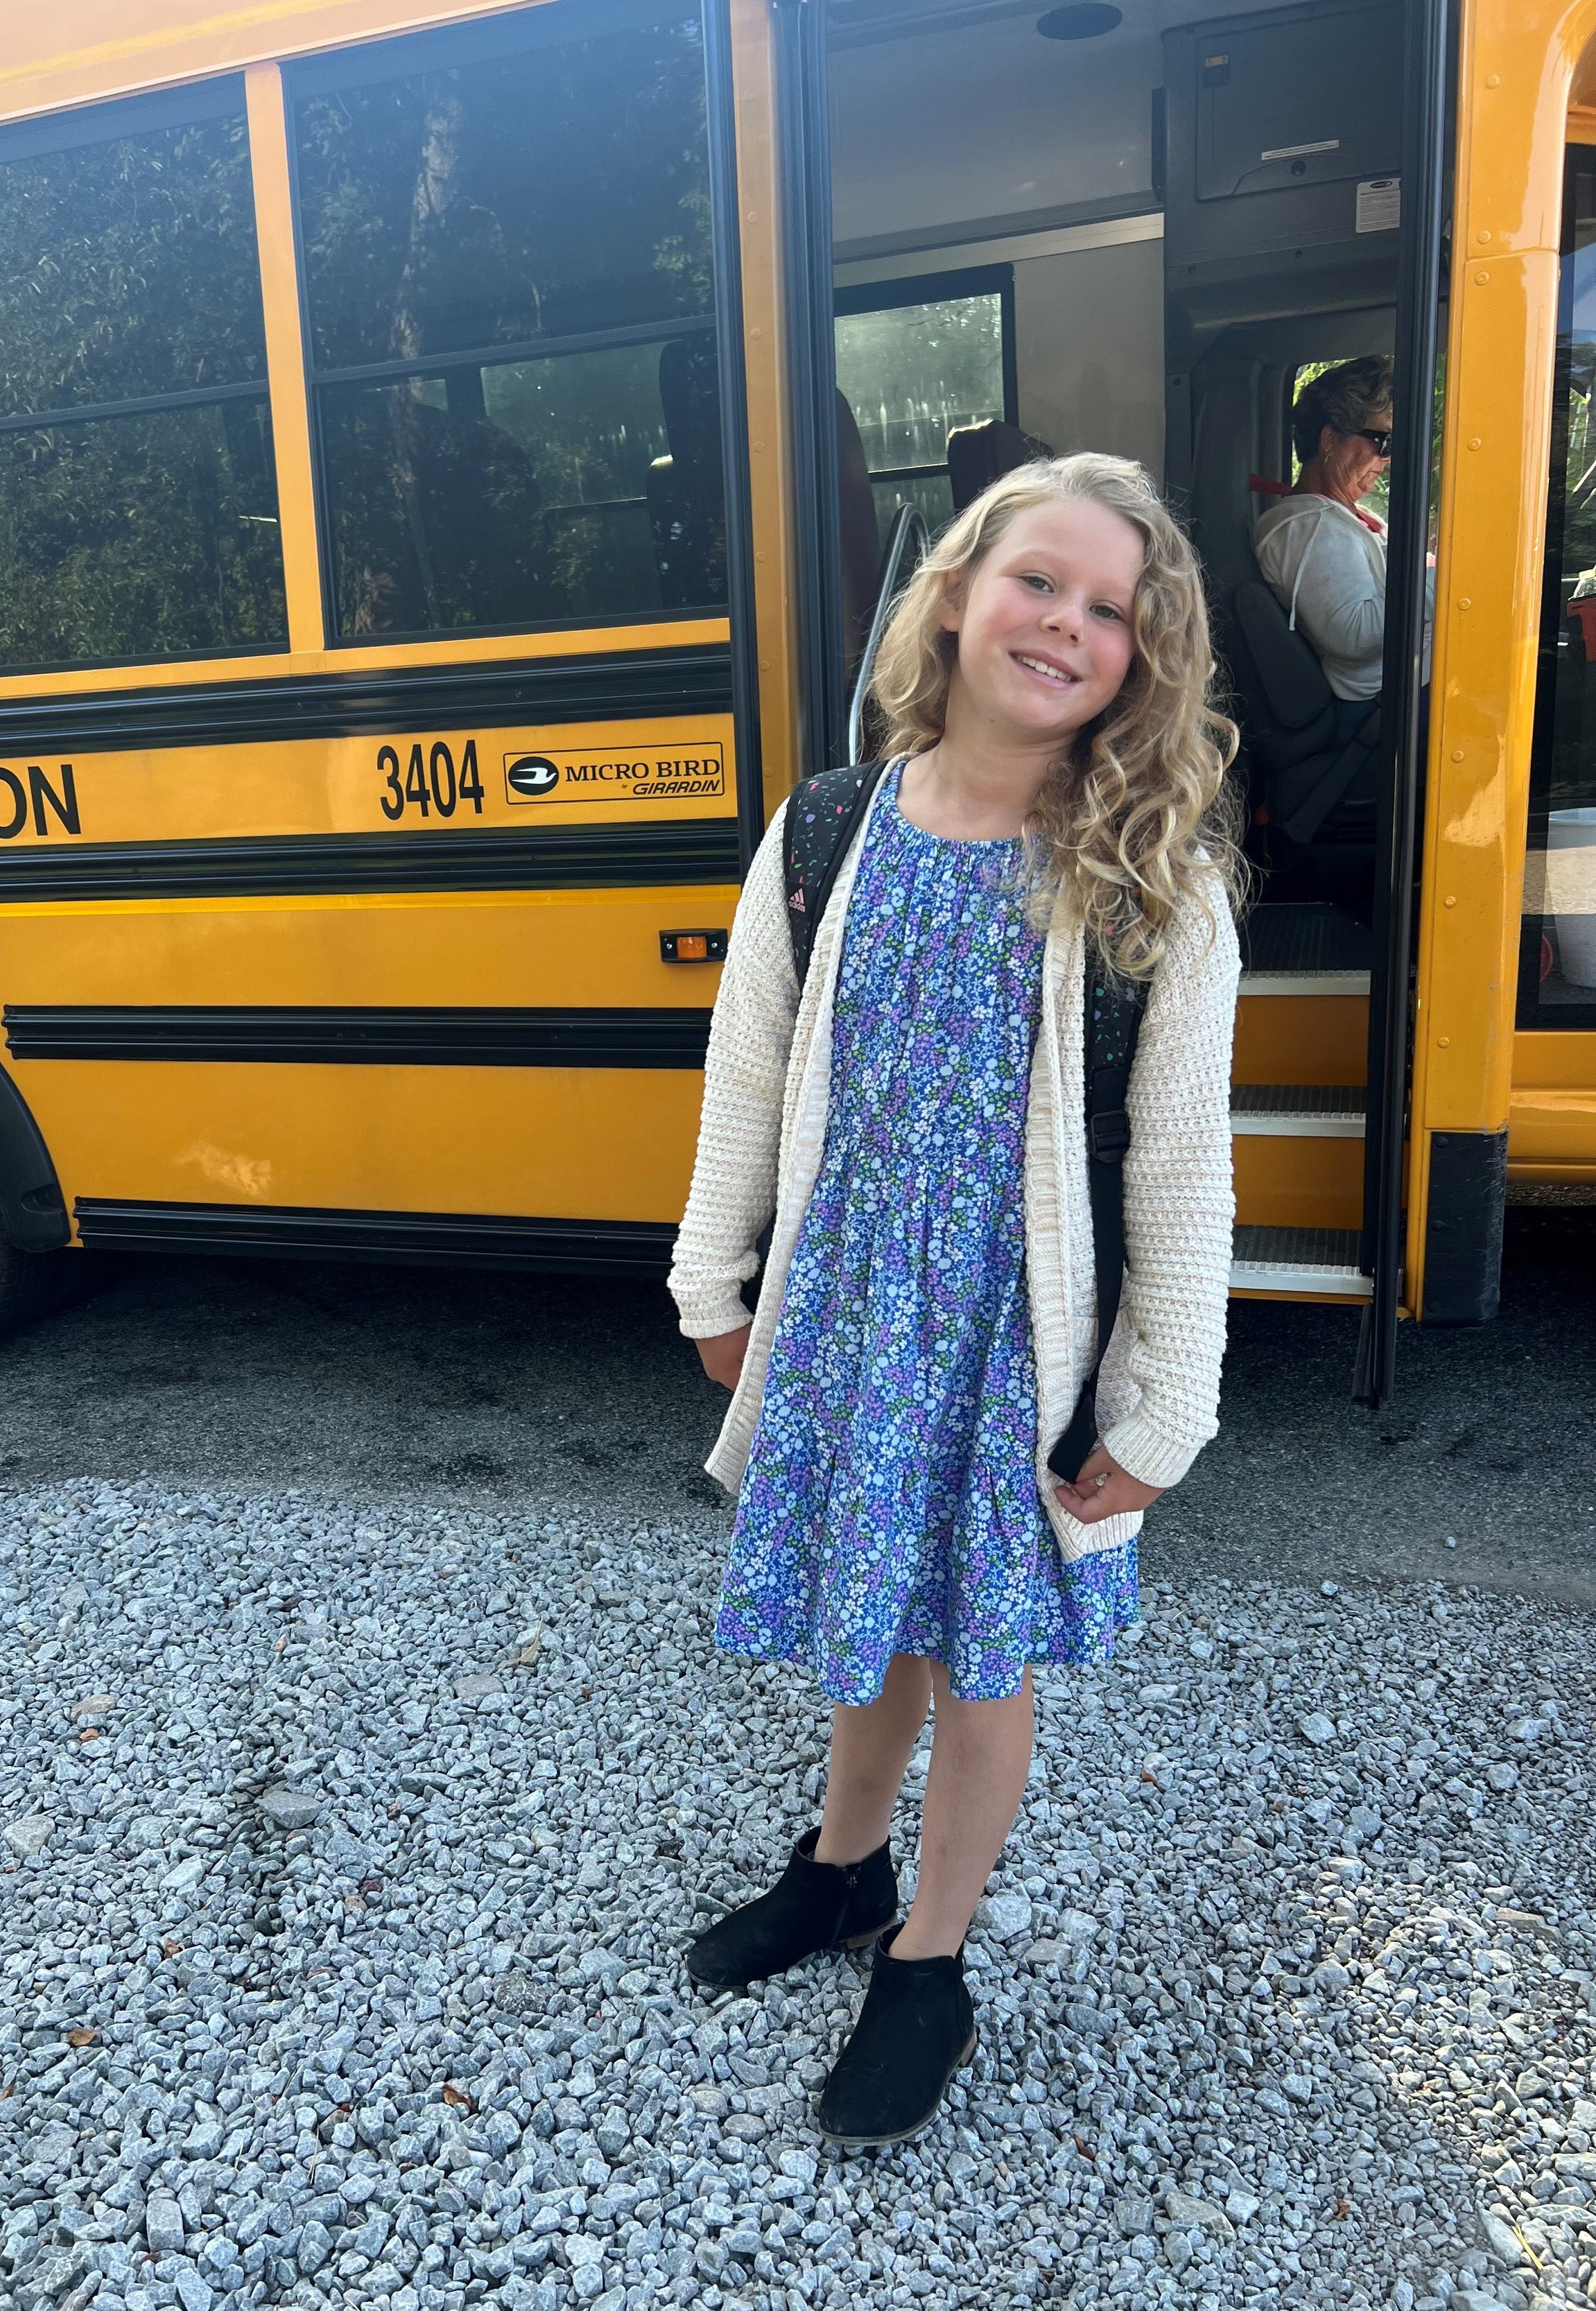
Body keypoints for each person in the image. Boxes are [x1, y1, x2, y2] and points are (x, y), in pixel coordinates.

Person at [667, 452, 1244, 2150]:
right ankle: (842, 1871)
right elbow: (748, 1080)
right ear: (955, 595)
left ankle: (930, 1955)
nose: (1066, 624)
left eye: (1110, 609)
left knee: (980, 1655)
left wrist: (1165, 1409)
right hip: (850, 1316)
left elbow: (1182, 1172)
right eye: (1036, 581)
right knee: (875, 1613)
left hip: (1013, 1346)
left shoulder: (1153, 879)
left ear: (1144, 657)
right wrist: (716, 1276)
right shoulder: (832, 829)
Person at [1255, 356, 1421, 743]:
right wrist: (1441, 584)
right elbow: (1353, 635)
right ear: (1330, 440)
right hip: (1381, 713)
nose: (1389, 457)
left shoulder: (1335, 515)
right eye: (1383, 441)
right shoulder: (1309, 528)